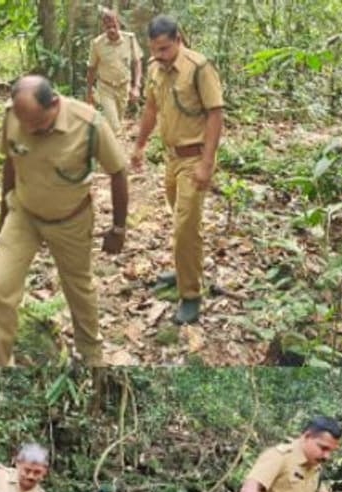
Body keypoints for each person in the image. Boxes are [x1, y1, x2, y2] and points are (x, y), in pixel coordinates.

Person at [0, 74, 129, 366]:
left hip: (70, 219)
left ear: (54, 103)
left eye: (38, 125)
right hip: (23, 215)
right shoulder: (13, 116)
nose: (31, 131)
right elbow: (10, 163)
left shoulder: (88, 124)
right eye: (25, 125)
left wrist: (118, 227)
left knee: (79, 288)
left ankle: (90, 356)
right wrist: (3, 215)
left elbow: (118, 172)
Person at [132, 15, 224, 325]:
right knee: (181, 220)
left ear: (178, 39)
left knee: (185, 225)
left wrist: (206, 163)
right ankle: (184, 269)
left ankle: (191, 295)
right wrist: (140, 145)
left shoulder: (199, 67)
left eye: (165, 49)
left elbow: (215, 114)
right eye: (155, 50)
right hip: (171, 158)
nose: (160, 55)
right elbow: (150, 108)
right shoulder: (155, 68)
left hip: (194, 157)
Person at [86, 7, 141, 136]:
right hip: (106, 88)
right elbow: (91, 68)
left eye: (114, 26)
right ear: (103, 27)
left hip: (123, 87)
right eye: (108, 27)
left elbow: (137, 62)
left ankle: (106, 141)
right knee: (115, 126)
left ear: (118, 24)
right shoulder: (97, 44)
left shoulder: (130, 39)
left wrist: (136, 86)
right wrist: (89, 92)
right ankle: (115, 150)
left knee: (118, 120)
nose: (111, 30)